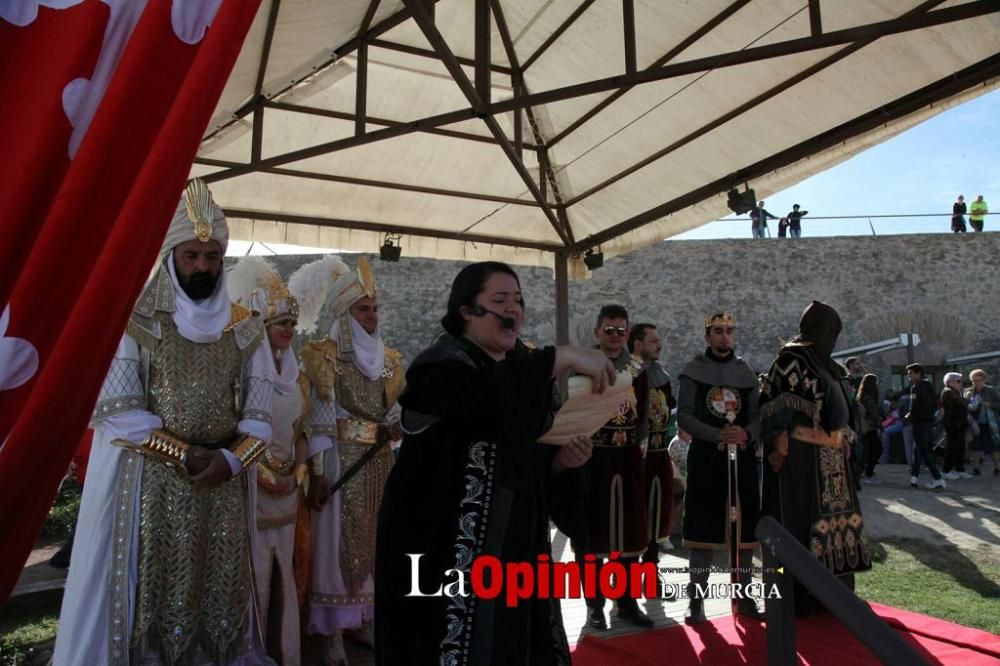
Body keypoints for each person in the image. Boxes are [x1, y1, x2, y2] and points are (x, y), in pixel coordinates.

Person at [54, 180, 275, 665]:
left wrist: (229, 461)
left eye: (213, 256)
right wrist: (187, 454)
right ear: (172, 256)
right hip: (149, 482)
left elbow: (262, 418)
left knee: (218, 591)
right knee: (146, 587)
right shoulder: (136, 320)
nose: (203, 267)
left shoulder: (247, 328)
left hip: (223, 483)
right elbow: (119, 411)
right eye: (192, 255)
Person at [374, 261, 613, 665]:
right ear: (467, 311)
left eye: (518, 300)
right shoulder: (440, 366)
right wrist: (563, 356)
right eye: (499, 299)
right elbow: (484, 400)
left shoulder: (521, 370)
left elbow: (524, 458)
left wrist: (560, 463)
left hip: (514, 556)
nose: (513, 309)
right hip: (445, 558)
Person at [290, 255, 405, 664]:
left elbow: (391, 410)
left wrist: (395, 428)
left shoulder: (390, 359)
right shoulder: (323, 355)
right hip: (340, 463)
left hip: (379, 463)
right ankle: (333, 629)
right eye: (362, 308)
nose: (371, 316)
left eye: (374, 308)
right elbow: (318, 420)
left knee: (378, 540)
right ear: (344, 310)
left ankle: (366, 620)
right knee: (334, 543)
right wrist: (319, 474)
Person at [760, 301, 871, 617]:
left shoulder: (822, 361)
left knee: (833, 527)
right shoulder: (792, 358)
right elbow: (777, 405)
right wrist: (779, 446)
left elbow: (836, 408)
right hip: (802, 457)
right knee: (799, 523)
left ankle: (832, 594)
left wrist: (843, 439)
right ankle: (796, 595)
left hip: (831, 457)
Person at [229, 257, 309, 665]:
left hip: (287, 493)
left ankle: (286, 651)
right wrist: (261, 474)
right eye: (283, 325)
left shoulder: (299, 378)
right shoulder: (245, 372)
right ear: (264, 328)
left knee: (285, 571)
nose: (290, 331)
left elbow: (300, 433)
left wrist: (295, 472)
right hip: (251, 487)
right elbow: (238, 429)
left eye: (293, 325)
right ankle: (250, 649)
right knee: (254, 572)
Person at [678, 312, 761, 624]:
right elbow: (684, 415)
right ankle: (695, 600)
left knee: (745, 533)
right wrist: (717, 434)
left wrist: (746, 433)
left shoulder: (746, 373)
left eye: (729, 331)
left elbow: (757, 417)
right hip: (706, 461)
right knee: (702, 531)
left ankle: (744, 596)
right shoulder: (693, 371)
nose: (724, 337)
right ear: (707, 336)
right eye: (717, 331)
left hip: (742, 462)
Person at [577, 304, 653, 630]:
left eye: (622, 330)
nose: (616, 336)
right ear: (597, 331)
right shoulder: (583, 365)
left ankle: (626, 602)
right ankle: (594, 605)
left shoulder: (637, 368)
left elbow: (645, 413)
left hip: (628, 458)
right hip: (593, 459)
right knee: (593, 535)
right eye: (609, 330)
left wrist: (636, 445)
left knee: (630, 532)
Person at [629, 323, 677, 562]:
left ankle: (651, 575)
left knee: (656, 516)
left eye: (658, 340)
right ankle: (625, 578)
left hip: (658, 454)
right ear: (638, 345)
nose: (659, 345)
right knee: (633, 517)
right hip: (636, 457)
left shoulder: (661, 375)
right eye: (653, 341)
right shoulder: (628, 374)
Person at [905, 363, 945, 489]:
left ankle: (938, 478)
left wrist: (909, 416)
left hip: (919, 422)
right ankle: (914, 478)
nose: (909, 376)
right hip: (929, 422)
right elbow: (934, 404)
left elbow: (914, 406)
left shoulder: (915, 387)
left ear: (918, 373)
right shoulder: (929, 386)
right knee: (920, 450)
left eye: (911, 373)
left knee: (923, 450)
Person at [965, 368, 1000, 477]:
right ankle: (976, 469)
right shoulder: (968, 391)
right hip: (975, 423)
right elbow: (964, 407)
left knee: (993, 447)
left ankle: (997, 468)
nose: (976, 383)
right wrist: (967, 401)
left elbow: (999, 404)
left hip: (990, 423)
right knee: (975, 446)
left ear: (983, 380)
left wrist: (990, 405)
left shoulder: (991, 390)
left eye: (978, 380)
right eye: (974, 380)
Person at [940, 372, 970, 480]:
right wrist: (968, 397)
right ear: (950, 382)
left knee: (960, 447)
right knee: (952, 447)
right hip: (952, 424)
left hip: (959, 423)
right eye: (958, 381)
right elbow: (963, 403)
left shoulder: (955, 392)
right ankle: (946, 470)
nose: (960, 383)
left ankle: (959, 469)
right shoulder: (948, 392)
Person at [856, 374, 882, 483]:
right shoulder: (869, 398)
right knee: (877, 450)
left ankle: (863, 471)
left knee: (866, 450)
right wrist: (880, 425)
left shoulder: (861, 396)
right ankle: (869, 473)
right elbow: (873, 414)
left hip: (863, 427)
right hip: (870, 427)